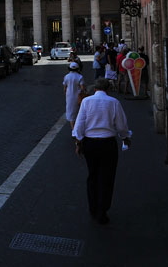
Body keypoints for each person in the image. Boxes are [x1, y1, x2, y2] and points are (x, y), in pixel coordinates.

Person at [72, 77, 132, 225]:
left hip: (90, 143)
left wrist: (78, 142)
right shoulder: (114, 102)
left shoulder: (86, 102)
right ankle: (102, 210)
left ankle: (93, 208)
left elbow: (79, 125)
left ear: (95, 89)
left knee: (92, 175)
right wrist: (125, 137)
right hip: (108, 144)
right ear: (108, 89)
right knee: (107, 177)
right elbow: (121, 125)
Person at [63, 61, 86, 128]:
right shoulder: (80, 76)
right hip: (78, 96)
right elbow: (82, 88)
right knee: (80, 112)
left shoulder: (66, 76)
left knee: (71, 113)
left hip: (69, 96)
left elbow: (65, 88)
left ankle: (73, 130)